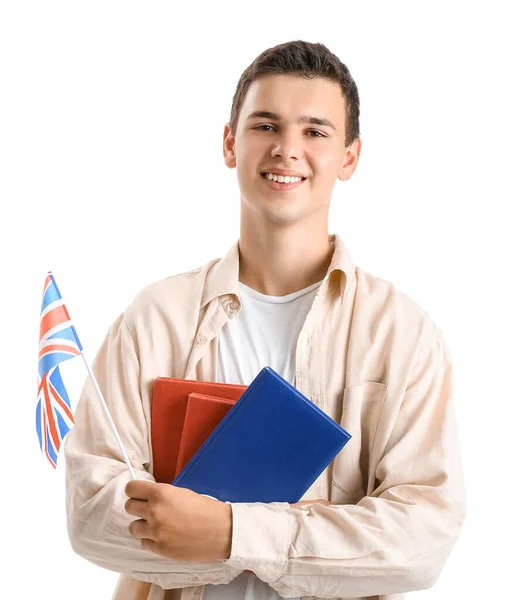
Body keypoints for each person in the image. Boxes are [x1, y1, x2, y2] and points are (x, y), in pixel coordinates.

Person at [64, 40, 467, 600]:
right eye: (265, 125)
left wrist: (230, 535)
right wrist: (323, 538)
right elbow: (90, 517)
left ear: (349, 157)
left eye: (315, 132)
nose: (286, 149)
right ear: (230, 143)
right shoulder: (153, 319)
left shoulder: (401, 333)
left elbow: (420, 542)